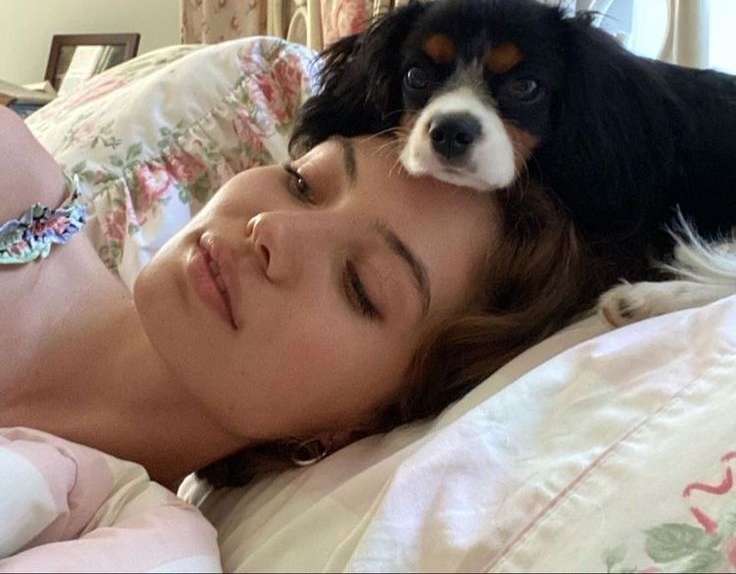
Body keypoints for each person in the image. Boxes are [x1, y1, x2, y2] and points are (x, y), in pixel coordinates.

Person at [0, 105, 593, 492]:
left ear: (364, 426)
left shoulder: (123, 545)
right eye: (304, 183)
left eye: (359, 286)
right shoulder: (10, 176)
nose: (272, 230)